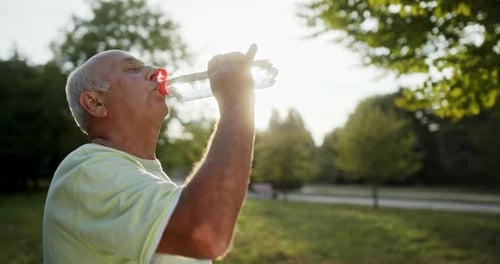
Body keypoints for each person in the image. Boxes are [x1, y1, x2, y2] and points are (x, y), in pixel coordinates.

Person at [42, 44, 258, 263]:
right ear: (95, 102)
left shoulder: (148, 177)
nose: (157, 72)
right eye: (132, 69)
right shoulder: (86, 171)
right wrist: (237, 103)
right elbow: (206, 234)